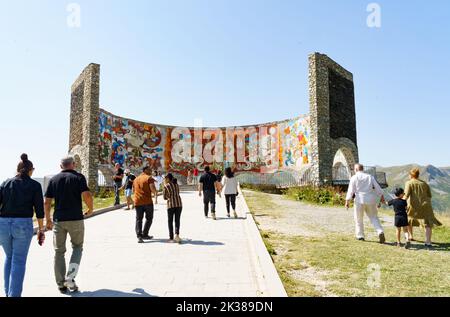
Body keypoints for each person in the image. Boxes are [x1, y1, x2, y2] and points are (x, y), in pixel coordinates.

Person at [44, 156, 94, 293]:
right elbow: (87, 195)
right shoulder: (79, 177)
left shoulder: (53, 180)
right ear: (73, 164)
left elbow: (47, 202)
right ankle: (70, 277)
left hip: (59, 220)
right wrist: (90, 209)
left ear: (61, 166)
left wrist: (48, 220)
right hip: (76, 219)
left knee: (59, 252)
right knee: (77, 247)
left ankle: (61, 284)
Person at [0, 154, 45, 297]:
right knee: (18, 260)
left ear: (17, 169)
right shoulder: (35, 185)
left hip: (3, 224)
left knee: (9, 257)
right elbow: (39, 210)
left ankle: (8, 293)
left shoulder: (6, 183)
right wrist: (41, 229)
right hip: (22, 224)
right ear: (31, 170)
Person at [345, 164, 386, 243]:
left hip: (359, 200)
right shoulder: (370, 177)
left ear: (356, 169)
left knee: (358, 218)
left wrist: (347, 201)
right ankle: (380, 231)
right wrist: (381, 197)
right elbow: (378, 188)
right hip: (371, 199)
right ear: (362, 169)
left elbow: (351, 190)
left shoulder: (354, 177)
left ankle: (360, 236)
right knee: (374, 217)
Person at [404, 168, 442, 248]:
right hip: (426, 206)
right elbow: (429, 195)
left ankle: (410, 236)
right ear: (418, 175)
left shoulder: (409, 183)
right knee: (427, 223)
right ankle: (428, 242)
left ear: (411, 175)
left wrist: (400, 202)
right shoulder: (424, 183)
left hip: (413, 206)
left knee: (409, 220)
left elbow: (406, 195)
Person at [133, 166, 158, 243]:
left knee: (139, 219)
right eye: (150, 170)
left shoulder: (136, 179)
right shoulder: (149, 178)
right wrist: (155, 194)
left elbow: (133, 190)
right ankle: (145, 234)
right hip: (147, 202)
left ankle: (139, 236)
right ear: (145, 170)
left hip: (138, 201)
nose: (151, 171)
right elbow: (153, 188)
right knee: (149, 218)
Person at [163, 173, 183, 243]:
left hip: (171, 205)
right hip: (179, 204)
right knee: (177, 220)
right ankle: (177, 235)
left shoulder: (166, 186)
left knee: (170, 221)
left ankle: (171, 237)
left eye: (165, 178)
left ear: (168, 179)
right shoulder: (176, 184)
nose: (165, 179)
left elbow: (164, 197)